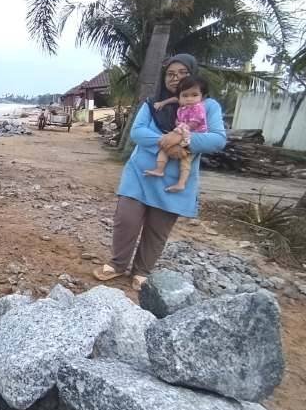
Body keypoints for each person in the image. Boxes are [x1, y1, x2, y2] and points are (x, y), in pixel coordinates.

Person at [93, 54, 227, 290]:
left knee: (158, 229)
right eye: (170, 74)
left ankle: (142, 270)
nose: (176, 79)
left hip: (176, 179)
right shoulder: (152, 103)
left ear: (193, 75)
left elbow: (217, 140)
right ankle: (117, 264)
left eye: (183, 73)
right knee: (126, 219)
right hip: (140, 172)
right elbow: (138, 133)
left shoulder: (208, 106)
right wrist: (167, 142)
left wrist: (184, 143)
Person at [143, 75, 210, 193]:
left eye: (194, 95)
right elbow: (175, 102)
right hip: (182, 133)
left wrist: (180, 130)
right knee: (164, 147)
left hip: (193, 136)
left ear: (202, 97)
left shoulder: (198, 107)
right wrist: (163, 104)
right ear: (179, 97)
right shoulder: (182, 108)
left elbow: (195, 122)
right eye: (185, 95)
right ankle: (159, 169)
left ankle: (181, 183)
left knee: (186, 160)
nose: (189, 98)